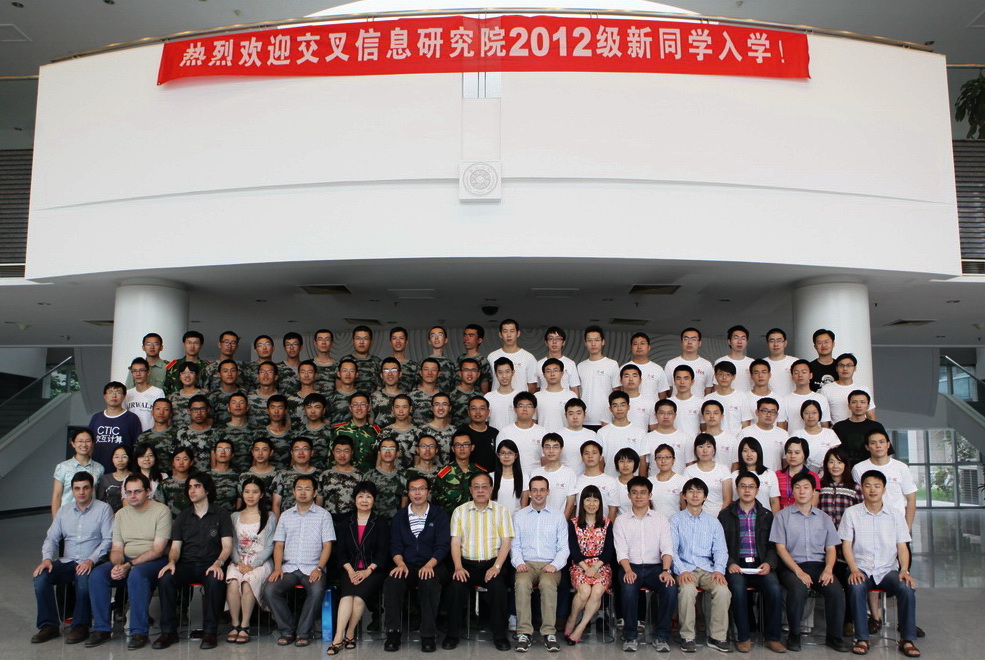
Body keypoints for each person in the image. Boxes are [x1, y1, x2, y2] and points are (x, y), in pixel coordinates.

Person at [85, 473, 171, 649]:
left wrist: (129, 565)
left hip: (154, 561)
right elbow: (117, 548)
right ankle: (101, 629)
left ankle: (139, 632)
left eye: (137, 491)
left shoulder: (162, 511)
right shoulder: (121, 514)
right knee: (97, 575)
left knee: (136, 575)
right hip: (126, 560)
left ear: (148, 491)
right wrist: (118, 565)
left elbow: (158, 550)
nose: (132, 496)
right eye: (129, 492)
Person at [840, 470, 920, 658]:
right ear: (862, 488)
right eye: (868, 485)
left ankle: (907, 639)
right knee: (856, 587)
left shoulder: (895, 515)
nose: (872, 490)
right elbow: (846, 545)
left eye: (877, 486)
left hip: (887, 570)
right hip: (861, 568)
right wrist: (853, 569)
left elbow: (902, 547)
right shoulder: (851, 513)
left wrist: (904, 570)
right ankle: (862, 638)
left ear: (884, 489)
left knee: (907, 588)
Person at [152, 473, 233, 650]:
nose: (192, 490)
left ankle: (210, 632)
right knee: (166, 578)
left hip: (210, 564)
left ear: (207, 490)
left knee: (215, 579)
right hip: (186, 564)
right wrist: (171, 561)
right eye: (189, 487)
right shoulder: (183, 516)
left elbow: (227, 546)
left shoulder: (221, 514)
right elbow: (175, 548)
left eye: (196, 486)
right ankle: (168, 632)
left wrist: (219, 562)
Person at [769, 472, 848, 652]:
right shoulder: (782, 516)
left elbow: (831, 549)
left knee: (836, 591)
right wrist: (798, 571)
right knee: (798, 589)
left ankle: (835, 637)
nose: (802, 491)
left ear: (813, 491)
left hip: (819, 566)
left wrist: (828, 569)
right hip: (791, 567)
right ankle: (794, 634)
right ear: (792, 491)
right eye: (797, 487)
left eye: (806, 487)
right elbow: (780, 548)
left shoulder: (824, 518)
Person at [31, 472, 113, 645]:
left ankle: (81, 626)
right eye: (77, 488)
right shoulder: (64, 510)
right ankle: (49, 625)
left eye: (85, 488)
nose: (81, 492)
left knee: (83, 581)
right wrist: (47, 559)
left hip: (92, 562)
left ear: (92, 489)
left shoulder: (103, 509)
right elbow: (51, 538)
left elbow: (107, 540)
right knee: (41, 578)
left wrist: (91, 560)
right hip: (67, 561)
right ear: (72, 490)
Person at [443, 472, 515, 651]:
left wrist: (497, 567)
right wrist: (458, 567)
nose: (480, 490)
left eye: (484, 487)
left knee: (498, 589)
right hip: (467, 564)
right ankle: (452, 635)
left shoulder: (501, 511)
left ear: (491, 489)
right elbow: (455, 542)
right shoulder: (460, 511)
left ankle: (500, 636)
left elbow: (506, 542)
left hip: (493, 563)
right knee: (455, 589)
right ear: (470, 490)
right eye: (476, 487)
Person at [718, 472, 786, 653]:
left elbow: (773, 545)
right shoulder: (725, 515)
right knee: (738, 590)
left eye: (751, 487)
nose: (746, 490)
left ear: (757, 490)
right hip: (736, 565)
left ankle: (772, 638)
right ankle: (744, 637)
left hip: (761, 565)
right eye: (743, 486)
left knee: (775, 589)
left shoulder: (767, 515)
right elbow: (719, 545)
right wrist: (730, 563)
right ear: (737, 489)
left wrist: (769, 564)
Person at [265, 474, 335, 647]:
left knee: (317, 591)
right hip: (288, 568)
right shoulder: (286, 515)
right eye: (299, 489)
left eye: (307, 489)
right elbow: (279, 545)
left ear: (315, 492)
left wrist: (319, 568)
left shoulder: (324, 515)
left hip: (313, 568)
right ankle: (287, 630)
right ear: (293, 492)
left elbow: (327, 546)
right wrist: (277, 568)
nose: (303, 493)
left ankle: (303, 632)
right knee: (270, 590)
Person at [383, 475, 451, 653]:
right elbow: (395, 544)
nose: (417, 493)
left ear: (428, 492)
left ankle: (428, 634)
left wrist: (430, 565)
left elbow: (443, 545)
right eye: (413, 489)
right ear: (408, 492)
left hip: (433, 564)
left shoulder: (438, 514)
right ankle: (393, 633)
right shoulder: (400, 516)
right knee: (393, 581)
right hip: (406, 564)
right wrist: (399, 563)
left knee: (429, 581)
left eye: (421, 489)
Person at [328, 482, 391, 655]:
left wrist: (367, 571)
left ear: (374, 500)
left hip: (373, 570)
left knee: (358, 597)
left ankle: (350, 632)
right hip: (349, 569)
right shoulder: (346, 522)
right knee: (347, 596)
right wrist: (350, 571)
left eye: (368, 497)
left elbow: (383, 552)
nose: (364, 500)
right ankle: (338, 637)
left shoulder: (381, 522)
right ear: (354, 499)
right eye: (361, 496)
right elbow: (340, 552)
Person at [615, 476, 677, 652]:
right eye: (634, 492)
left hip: (656, 568)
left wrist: (666, 570)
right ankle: (630, 636)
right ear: (629, 496)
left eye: (643, 492)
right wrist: (628, 570)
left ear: (650, 495)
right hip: (630, 566)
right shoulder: (621, 520)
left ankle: (661, 636)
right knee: (628, 588)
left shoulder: (660, 519)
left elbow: (667, 548)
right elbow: (621, 551)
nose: (639, 496)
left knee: (670, 588)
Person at [671, 477, 732, 653]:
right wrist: (682, 571)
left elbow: (721, 550)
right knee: (687, 591)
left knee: (723, 591)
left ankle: (717, 637)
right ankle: (688, 637)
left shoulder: (713, 522)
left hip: (707, 569)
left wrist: (719, 571)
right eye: (691, 491)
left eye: (699, 491)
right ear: (684, 496)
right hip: (685, 568)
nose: (695, 495)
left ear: (705, 496)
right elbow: (671, 551)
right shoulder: (675, 520)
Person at [511, 475, 569, 652]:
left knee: (547, 584)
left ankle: (549, 633)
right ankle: (524, 633)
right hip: (526, 564)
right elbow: (515, 545)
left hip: (549, 564)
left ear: (548, 492)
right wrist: (519, 563)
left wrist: (555, 565)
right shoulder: (519, 516)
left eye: (542, 490)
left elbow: (564, 548)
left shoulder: (558, 516)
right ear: (529, 493)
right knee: (521, 583)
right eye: (534, 490)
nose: (538, 494)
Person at [226, 476, 277, 644]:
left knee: (248, 581)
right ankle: (235, 624)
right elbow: (232, 544)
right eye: (247, 491)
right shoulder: (234, 516)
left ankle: (245, 626)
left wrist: (253, 565)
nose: (250, 495)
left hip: (260, 562)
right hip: (238, 561)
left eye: (255, 492)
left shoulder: (269, 516)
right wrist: (238, 562)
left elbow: (270, 546)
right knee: (233, 580)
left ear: (261, 495)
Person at [563, 485, 614, 645]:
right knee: (585, 591)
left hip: (601, 566)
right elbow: (573, 550)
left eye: (595, 500)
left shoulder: (607, 523)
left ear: (600, 503)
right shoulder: (573, 523)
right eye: (588, 500)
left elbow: (608, 551)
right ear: (582, 502)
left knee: (597, 591)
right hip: (580, 565)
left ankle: (580, 627)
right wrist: (587, 568)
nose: (591, 504)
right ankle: (572, 618)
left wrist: (595, 567)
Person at [88, 381, 144, 473]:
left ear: (124, 396)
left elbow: (138, 446)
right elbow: (89, 443)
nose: (114, 396)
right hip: (96, 470)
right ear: (104, 396)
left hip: (123, 471)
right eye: (110, 392)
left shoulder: (132, 418)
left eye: (118, 392)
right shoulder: (96, 418)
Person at [433, 431, 490, 515]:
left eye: (466, 444)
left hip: (476, 518)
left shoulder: (481, 472)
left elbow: (488, 498)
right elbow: (435, 500)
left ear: (472, 447)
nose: (462, 448)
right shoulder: (444, 473)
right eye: (458, 445)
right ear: (453, 448)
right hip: (451, 520)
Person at [52, 428, 104, 517]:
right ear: (73, 444)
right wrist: (55, 521)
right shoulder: (62, 467)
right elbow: (56, 496)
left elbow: (99, 496)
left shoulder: (99, 468)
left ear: (92, 443)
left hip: (91, 516)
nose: (84, 444)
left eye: (88, 441)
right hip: (67, 515)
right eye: (80, 441)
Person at [577, 325, 621, 428]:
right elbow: (578, 392)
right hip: (585, 419)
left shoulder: (612, 364)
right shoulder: (580, 366)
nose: (593, 344)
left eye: (596, 340)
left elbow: (617, 393)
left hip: (606, 419)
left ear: (603, 342)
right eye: (589, 340)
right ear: (585, 343)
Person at [597, 390, 648, 477]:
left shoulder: (640, 432)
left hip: (633, 483)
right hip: (610, 480)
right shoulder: (602, 433)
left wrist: (641, 482)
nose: (619, 409)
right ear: (610, 409)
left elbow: (642, 461)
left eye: (622, 405)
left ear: (628, 407)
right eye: (615, 405)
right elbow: (600, 461)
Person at [833, 391, 888, 467]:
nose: (858, 405)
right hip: (845, 470)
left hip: (870, 469)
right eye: (854, 402)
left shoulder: (876, 426)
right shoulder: (839, 427)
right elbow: (832, 452)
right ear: (849, 406)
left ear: (868, 406)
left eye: (862, 402)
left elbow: (885, 451)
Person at [530, 433, 578, 517]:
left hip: (560, 521)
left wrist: (562, 521)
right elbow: (532, 500)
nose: (551, 451)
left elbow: (570, 504)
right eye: (547, 447)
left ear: (561, 449)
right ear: (543, 449)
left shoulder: (569, 473)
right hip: (538, 520)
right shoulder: (535, 473)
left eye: (555, 447)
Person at [332, 391, 381, 473]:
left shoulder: (376, 432)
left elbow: (380, 459)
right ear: (350, 408)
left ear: (369, 407)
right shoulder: (339, 431)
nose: (359, 408)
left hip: (368, 477)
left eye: (363, 404)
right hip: (344, 477)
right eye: (355, 405)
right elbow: (332, 459)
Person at [502, 391, 548, 477]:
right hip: (512, 478)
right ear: (515, 409)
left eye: (529, 406)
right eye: (521, 406)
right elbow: (500, 458)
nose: (525, 409)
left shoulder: (542, 432)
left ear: (535, 410)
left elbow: (545, 459)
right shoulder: (505, 432)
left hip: (536, 478)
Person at [683, 434, 733, 513]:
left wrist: (721, 516)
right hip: (695, 516)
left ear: (714, 449)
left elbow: (727, 499)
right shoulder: (689, 471)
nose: (705, 450)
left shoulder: (723, 469)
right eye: (701, 447)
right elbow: (684, 498)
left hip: (719, 515)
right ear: (695, 450)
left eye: (709, 446)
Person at [270, 436, 319, 516]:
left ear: (312, 452)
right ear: (292, 453)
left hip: (312, 520)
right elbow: (276, 505)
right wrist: (279, 523)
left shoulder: (320, 475)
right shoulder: (282, 474)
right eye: (297, 449)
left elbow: (320, 504)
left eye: (305, 449)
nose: (301, 452)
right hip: (287, 520)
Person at [487, 318, 538, 393]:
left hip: (520, 400)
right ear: (500, 334)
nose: (508, 335)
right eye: (505, 331)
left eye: (512, 331)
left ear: (518, 333)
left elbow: (532, 386)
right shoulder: (492, 357)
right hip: (497, 399)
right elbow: (488, 382)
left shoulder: (528, 357)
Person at [822, 353, 876, 424]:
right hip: (836, 429)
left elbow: (871, 416)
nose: (845, 368)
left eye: (849, 365)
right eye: (841, 365)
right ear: (836, 368)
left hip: (861, 428)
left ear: (855, 368)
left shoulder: (863, 389)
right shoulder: (826, 389)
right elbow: (824, 418)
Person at [573, 440, 620, 520]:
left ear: (601, 457)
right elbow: (573, 507)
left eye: (594, 453)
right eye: (586, 453)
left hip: (603, 526)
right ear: (582, 457)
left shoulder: (610, 481)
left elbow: (613, 510)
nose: (590, 456)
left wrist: (608, 527)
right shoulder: (576, 481)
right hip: (580, 526)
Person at [731, 437, 780, 511]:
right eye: (745, 451)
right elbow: (733, 501)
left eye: (753, 451)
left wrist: (775, 518)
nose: (749, 454)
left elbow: (774, 501)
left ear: (758, 453)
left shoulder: (769, 474)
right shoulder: (734, 475)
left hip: (765, 516)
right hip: (741, 516)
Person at [319, 436, 364, 517]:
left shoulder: (360, 476)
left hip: (352, 520)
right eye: (338, 451)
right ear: (333, 452)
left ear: (352, 452)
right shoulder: (325, 475)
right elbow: (319, 503)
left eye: (346, 451)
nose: (342, 455)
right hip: (328, 519)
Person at [704, 361, 752, 435]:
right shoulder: (708, 398)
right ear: (715, 376)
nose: (724, 377)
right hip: (713, 440)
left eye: (728, 374)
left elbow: (746, 424)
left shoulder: (741, 397)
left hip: (736, 440)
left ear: (734, 377)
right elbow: (704, 424)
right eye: (721, 374)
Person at [783, 360, 832, 434]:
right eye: (796, 372)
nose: (800, 375)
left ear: (810, 375)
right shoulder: (786, 399)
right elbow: (783, 426)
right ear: (792, 376)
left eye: (804, 372)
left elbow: (825, 425)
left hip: (816, 439)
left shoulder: (821, 399)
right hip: (794, 439)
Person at [664, 328, 715, 397]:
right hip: (676, 403)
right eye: (686, 339)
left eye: (693, 339)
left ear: (699, 343)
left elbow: (708, 389)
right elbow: (668, 389)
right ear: (681, 342)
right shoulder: (671, 364)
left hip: (699, 403)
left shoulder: (707, 365)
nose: (689, 342)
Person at [644, 399, 691, 472]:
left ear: (675, 415)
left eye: (669, 413)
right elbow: (645, 465)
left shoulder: (685, 438)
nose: (666, 416)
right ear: (655, 415)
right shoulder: (647, 438)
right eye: (661, 413)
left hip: (680, 479)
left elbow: (689, 464)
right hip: (654, 478)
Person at [742, 398, 788, 471]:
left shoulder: (783, 434)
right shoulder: (745, 433)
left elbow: (785, 461)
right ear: (757, 412)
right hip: (751, 476)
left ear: (777, 415)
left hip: (775, 476)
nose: (768, 415)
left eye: (773, 412)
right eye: (765, 411)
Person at [797, 399, 841, 472]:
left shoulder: (829, 433)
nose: (810, 416)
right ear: (802, 415)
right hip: (803, 475)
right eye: (806, 413)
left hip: (827, 474)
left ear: (819, 414)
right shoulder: (797, 434)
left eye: (814, 413)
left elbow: (836, 456)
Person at [623, 331, 670, 400]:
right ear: (631, 348)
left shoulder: (658, 369)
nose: (639, 347)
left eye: (642, 343)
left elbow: (662, 394)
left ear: (649, 347)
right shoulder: (623, 368)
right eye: (635, 344)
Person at [457, 394, 498, 470]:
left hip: (491, 475)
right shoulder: (461, 433)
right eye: (473, 408)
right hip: (468, 475)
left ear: (488, 412)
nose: (477, 412)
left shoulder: (495, 433)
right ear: (468, 412)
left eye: (482, 408)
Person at [776, 437, 820, 508]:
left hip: (803, 514)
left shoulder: (813, 476)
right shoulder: (777, 475)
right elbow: (774, 502)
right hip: (781, 514)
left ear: (805, 454)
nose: (792, 456)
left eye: (797, 453)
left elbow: (813, 504)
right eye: (789, 452)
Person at [536, 326, 582, 395]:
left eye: (558, 339)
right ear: (546, 342)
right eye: (551, 338)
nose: (554, 342)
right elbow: (536, 389)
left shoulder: (570, 363)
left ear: (563, 342)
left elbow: (574, 389)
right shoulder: (538, 364)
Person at [535, 358, 576, 432]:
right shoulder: (537, 397)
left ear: (562, 373)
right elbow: (533, 421)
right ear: (544, 375)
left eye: (556, 370)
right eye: (548, 371)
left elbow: (576, 421)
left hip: (565, 437)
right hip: (543, 437)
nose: (552, 374)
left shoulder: (571, 396)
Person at [123, 357, 165, 431]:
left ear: (148, 372)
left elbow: (162, 416)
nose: (138, 374)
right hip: (131, 434)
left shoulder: (158, 392)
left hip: (150, 434)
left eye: (141, 370)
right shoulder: (127, 394)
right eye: (134, 371)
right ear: (132, 373)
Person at [163, 330, 208, 395]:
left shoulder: (207, 367)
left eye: (196, 343)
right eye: (189, 342)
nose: (192, 346)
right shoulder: (174, 366)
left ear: (201, 345)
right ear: (184, 344)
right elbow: (166, 389)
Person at [156, 445, 195, 518]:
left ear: (191, 462)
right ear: (173, 462)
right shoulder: (165, 484)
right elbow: (158, 508)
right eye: (177, 459)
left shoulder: (196, 483)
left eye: (185, 459)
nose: (181, 462)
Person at [649, 443, 686, 520]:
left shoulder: (681, 481)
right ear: (655, 460)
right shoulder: (650, 481)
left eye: (667, 457)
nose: (663, 461)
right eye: (659, 457)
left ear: (673, 460)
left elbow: (685, 510)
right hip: (655, 523)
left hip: (675, 523)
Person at [716, 325, 754, 392]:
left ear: (746, 342)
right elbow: (716, 386)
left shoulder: (752, 362)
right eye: (736, 338)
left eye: (743, 338)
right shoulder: (720, 361)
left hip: (747, 398)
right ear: (729, 341)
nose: (739, 341)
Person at [491, 438, 525, 513]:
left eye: (510, 453)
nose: (506, 456)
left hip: (516, 518)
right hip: (496, 518)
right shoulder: (491, 477)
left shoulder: (524, 477)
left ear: (516, 455)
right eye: (503, 453)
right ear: (498, 455)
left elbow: (524, 507)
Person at [669, 365, 703, 441]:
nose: (682, 382)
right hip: (672, 444)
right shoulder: (667, 404)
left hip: (693, 444)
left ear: (692, 381)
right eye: (678, 378)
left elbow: (704, 428)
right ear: (674, 381)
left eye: (686, 378)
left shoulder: (700, 403)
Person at [346, 325, 383, 392]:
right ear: (353, 341)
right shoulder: (346, 361)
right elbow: (340, 387)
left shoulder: (378, 362)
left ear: (371, 341)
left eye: (365, 338)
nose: (361, 342)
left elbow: (381, 387)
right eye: (358, 338)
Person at [763, 328, 799, 397]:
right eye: (772, 341)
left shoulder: (795, 362)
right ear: (767, 344)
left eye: (779, 340)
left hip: (791, 401)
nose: (775, 344)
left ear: (785, 343)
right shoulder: (762, 364)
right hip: (769, 402)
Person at [96, 444, 132, 512]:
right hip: (108, 515)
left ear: (129, 459)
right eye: (116, 457)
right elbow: (100, 501)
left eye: (124, 457)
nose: (120, 460)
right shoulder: (105, 478)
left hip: (130, 515)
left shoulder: (135, 477)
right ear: (112, 459)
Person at [459, 323, 493, 393]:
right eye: (465, 335)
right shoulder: (460, 358)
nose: (466, 338)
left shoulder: (483, 361)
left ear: (479, 340)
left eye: (471, 335)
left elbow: (484, 389)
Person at [487, 356, 519, 432]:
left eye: (507, 372)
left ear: (513, 372)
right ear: (496, 374)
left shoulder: (520, 397)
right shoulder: (488, 397)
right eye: (500, 372)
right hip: (495, 437)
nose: (504, 376)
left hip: (515, 437)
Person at [424, 325, 457, 394]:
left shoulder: (450, 364)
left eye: (440, 335)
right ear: (429, 341)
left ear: (446, 340)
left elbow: (453, 386)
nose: (436, 338)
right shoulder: (423, 363)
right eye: (432, 335)